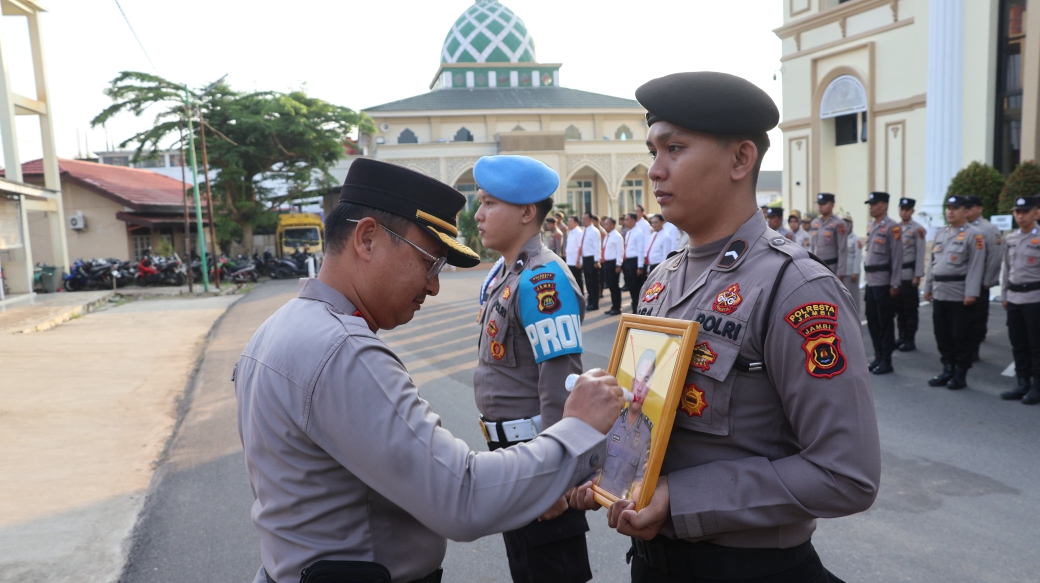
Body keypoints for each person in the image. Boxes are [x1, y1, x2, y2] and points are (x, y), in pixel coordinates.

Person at [235, 158, 625, 583]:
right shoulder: (343, 351)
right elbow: (463, 496)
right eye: (430, 261)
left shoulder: (278, 329)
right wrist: (576, 435)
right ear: (367, 239)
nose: (434, 285)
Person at [571, 71, 880, 583]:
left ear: (741, 159)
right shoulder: (662, 280)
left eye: (675, 149)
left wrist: (681, 499)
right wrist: (605, 471)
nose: (654, 171)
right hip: (653, 564)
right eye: (653, 151)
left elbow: (846, 473)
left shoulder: (795, 287)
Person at [471, 155, 596, 583]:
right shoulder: (506, 274)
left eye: (489, 203)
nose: (478, 214)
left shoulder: (543, 280)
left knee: (551, 572)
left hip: (537, 459)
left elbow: (561, 386)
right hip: (514, 458)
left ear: (527, 212)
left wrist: (554, 477)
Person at [923, 195, 986, 390]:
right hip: (940, 292)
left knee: (961, 336)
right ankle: (947, 369)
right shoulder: (942, 233)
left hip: (959, 294)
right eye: (948, 207)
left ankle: (960, 373)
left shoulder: (974, 235)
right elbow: (933, 264)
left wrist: (971, 293)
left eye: (955, 208)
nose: (950, 211)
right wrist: (927, 287)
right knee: (942, 334)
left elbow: (976, 267)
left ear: (966, 212)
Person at [594, 349, 655, 499]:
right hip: (596, 494)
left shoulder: (647, 433)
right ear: (633, 383)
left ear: (650, 389)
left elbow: (642, 478)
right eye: (638, 379)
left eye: (646, 381)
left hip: (623, 505)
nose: (640, 387)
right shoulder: (611, 418)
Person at [1000, 195, 1040, 404]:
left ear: (1037, 213)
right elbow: (1007, 269)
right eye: (1017, 212)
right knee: (1018, 344)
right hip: (1014, 297)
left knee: (1036, 345)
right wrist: (1005, 294)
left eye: (1025, 212)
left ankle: (1037, 386)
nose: (1020, 216)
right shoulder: (1011, 238)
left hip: (1035, 298)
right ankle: (1022, 383)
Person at [861, 191, 902, 375]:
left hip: (884, 282)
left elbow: (897, 257)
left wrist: (895, 284)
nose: (871, 206)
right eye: (870, 203)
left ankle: (887, 360)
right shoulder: (871, 226)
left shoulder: (893, 227)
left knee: (885, 322)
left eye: (874, 203)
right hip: (871, 281)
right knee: (872, 320)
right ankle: (878, 356)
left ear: (884, 205)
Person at [967, 195, 1004, 361]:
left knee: (977, 317)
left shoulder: (988, 229)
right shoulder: (962, 227)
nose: (966, 211)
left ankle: (974, 348)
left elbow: (995, 257)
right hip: (963, 281)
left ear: (979, 209)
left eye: (970, 207)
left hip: (980, 280)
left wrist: (988, 281)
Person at [894, 198, 926, 352]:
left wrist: (917, 275)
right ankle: (901, 336)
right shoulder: (895, 228)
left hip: (909, 274)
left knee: (910, 309)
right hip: (897, 276)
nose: (904, 212)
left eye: (907, 209)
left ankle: (910, 339)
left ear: (912, 211)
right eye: (902, 209)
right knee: (899, 309)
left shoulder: (917, 229)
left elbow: (920, 254)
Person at [810, 193, 849, 276]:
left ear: (832, 205)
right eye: (819, 204)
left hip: (831, 267)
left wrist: (841, 272)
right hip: (815, 267)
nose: (820, 206)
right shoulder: (815, 223)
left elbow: (842, 250)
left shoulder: (839, 224)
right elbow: (812, 247)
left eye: (823, 204)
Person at [621, 213, 646, 313]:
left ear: (633, 220)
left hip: (635, 262)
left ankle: (638, 308)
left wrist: (640, 266)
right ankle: (634, 306)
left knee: (637, 286)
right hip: (628, 261)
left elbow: (641, 250)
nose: (625, 221)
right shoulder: (628, 232)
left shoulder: (638, 233)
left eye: (627, 219)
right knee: (631, 286)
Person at [601, 216, 625, 315]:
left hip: (613, 263)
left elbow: (620, 251)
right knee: (610, 285)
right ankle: (613, 306)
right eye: (604, 224)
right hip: (606, 263)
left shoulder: (617, 236)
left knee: (614, 286)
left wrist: (618, 265)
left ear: (612, 225)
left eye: (607, 224)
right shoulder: (608, 235)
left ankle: (617, 307)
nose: (604, 226)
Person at [580, 212, 603, 311]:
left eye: (585, 219)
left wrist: (596, 260)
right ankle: (590, 301)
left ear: (590, 219)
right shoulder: (584, 230)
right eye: (582, 219)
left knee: (594, 282)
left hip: (592, 259)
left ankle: (595, 303)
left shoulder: (594, 231)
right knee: (588, 282)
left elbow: (597, 246)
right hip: (585, 258)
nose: (583, 221)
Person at [840, 215, 863, 291]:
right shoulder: (840, 238)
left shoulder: (856, 239)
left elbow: (858, 256)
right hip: (841, 272)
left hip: (851, 272)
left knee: (852, 295)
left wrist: (855, 272)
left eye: (847, 225)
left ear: (850, 226)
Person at [565, 215, 585, 294]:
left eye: (570, 221)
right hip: (570, 261)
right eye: (568, 221)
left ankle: (581, 296)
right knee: (572, 280)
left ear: (576, 222)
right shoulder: (571, 232)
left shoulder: (579, 232)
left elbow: (580, 247)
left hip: (575, 261)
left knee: (578, 280)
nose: (568, 223)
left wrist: (578, 261)